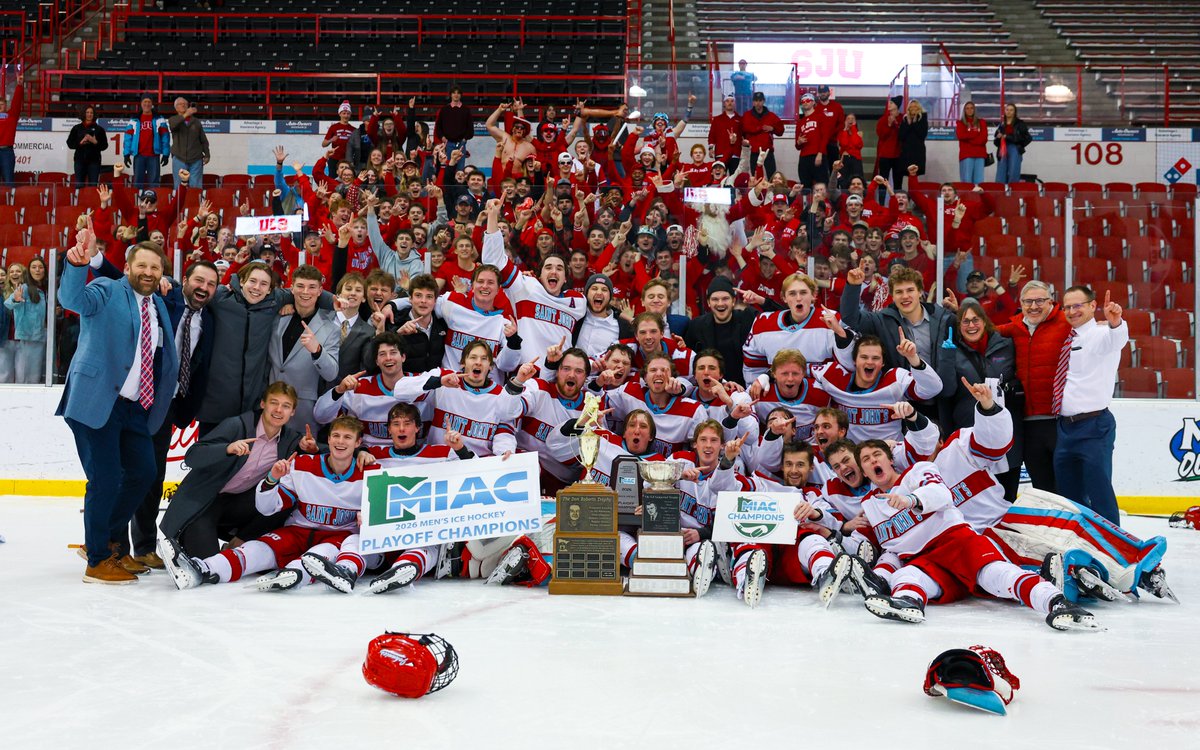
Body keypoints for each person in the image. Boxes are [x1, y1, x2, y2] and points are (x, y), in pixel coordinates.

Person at [854, 442, 1099, 631]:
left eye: (877, 454)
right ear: (864, 471)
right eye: (866, 459)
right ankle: (909, 604)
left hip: (955, 540)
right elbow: (876, 543)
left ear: (889, 459)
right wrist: (841, 529)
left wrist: (912, 500)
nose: (873, 460)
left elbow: (941, 494)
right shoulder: (870, 506)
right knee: (906, 575)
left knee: (996, 574)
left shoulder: (918, 471)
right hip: (924, 558)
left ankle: (1056, 603)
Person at [58, 226, 180, 585]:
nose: (148, 272)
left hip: (135, 407)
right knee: (106, 478)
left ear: (161, 274)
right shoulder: (106, 290)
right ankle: (97, 560)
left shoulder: (157, 304)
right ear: (127, 268)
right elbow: (72, 299)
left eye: (155, 268)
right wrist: (77, 264)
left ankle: (106, 541)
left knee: (143, 473)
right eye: (141, 265)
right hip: (99, 400)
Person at [160, 415, 368, 593]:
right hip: (298, 531)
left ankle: (295, 574)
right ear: (329, 439)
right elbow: (268, 508)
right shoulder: (303, 465)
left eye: (347, 437)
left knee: (319, 556)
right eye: (336, 436)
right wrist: (271, 480)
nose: (340, 442)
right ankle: (200, 569)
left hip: (337, 537)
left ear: (358, 443)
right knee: (256, 549)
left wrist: (365, 518)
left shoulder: (368, 472)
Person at [120, 259, 220, 569]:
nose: (203, 288)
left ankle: (144, 546)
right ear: (184, 280)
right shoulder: (165, 298)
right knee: (132, 473)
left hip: (171, 403)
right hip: (142, 399)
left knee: (153, 475)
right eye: (198, 281)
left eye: (210, 284)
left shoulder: (210, 317)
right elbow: (133, 284)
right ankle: (113, 545)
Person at [158, 382, 305, 558]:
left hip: (239, 505)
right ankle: (185, 541)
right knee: (209, 563)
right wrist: (227, 449)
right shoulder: (236, 426)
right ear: (263, 404)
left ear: (293, 412)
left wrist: (313, 449)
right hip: (206, 503)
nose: (279, 410)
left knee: (283, 499)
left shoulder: (291, 439)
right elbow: (192, 456)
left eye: (286, 406)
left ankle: (240, 541)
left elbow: (333, 451)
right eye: (274, 402)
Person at [840, 265, 957, 425]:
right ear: (892, 296)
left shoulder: (943, 319)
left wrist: (958, 314)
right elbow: (850, 318)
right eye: (899, 292)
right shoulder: (882, 321)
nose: (905, 296)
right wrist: (853, 286)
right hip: (902, 404)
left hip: (941, 405)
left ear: (920, 292)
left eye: (910, 290)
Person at [1053, 286, 1128, 525]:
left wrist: (1116, 322)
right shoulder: (1067, 338)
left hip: (1094, 426)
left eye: (1078, 305)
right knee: (1069, 495)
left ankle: (1115, 548)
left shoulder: (1100, 334)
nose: (1072, 311)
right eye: (1068, 307)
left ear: (1092, 306)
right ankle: (1082, 542)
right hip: (1065, 428)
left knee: (1100, 492)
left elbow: (1117, 339)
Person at [995, 280, 1069, 494]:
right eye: (1028, 301)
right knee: (1042, 486)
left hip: (1059, 420)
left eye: (1039, 301)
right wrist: (957, 315)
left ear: (1051, 302)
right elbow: (984, 332)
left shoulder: (1066, 322)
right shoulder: (1015, 327)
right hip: (1029, 422)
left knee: (1067, 484)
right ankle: (1048, 526)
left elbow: (1094, 332)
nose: (1034, 306)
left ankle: (1073, 526)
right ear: (1021, 303)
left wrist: (1112, 325)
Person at [946, 300, 1022, 500]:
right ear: (959, 327)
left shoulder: (1006, 345)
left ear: (985, 321)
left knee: (1007, 498)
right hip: (970, 435)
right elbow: (946, 392)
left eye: (975, 319)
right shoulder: (952, 352)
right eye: (965, 321)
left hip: (1006, 434)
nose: (971, 325)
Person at [267, 265, 340, 432]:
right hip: (270, 403)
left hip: (303, 409)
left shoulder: (330, 328)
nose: (305, 291)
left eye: (312, 287)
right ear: (291, 288)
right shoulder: (277, 317)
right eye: (300, 286)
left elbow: (331, 373)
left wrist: (318, 351)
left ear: (320, 291)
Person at [684, 277, 770, 386]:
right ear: (708, 303)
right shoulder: (696, 325)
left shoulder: (748, 318)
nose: (720, 304)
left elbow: (785, 318)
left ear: (733, 301)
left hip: (746, 389)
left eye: (725, 298)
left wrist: (761, 301)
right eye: (715, 299)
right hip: (710, 390)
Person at [3, 256, 47, 384]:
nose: (37, 270)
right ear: (29, 271)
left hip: (46, 335)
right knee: (28, 377)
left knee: (42, 375)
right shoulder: (25, 288)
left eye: (40, 267)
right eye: (34, 267)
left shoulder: (48, 288)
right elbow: (8, 303)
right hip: (29, 337)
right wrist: (15, 299)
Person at [122, 94, 171, 190]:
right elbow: (128, 137)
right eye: (145, 102)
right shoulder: (134, 119)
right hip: (138, 155)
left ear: (152, 104)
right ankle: (137, 203)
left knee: (154, 183)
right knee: (137, 182)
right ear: (141, 104)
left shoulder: (159, 119)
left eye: (149, 102)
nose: (147, 104)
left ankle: (153, 203)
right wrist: (126, 154)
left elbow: (165, 137)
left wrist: (166, 154)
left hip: (154, 156)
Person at [168, 97, 210, 190]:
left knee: (196, 187)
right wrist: (186, 114)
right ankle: (180, 205)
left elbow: (203, 139)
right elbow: (173, 126)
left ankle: (194, 204)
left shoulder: (196, 121)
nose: (183, 105)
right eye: (180, 104)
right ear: (176, 108)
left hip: (196, 159)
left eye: (185, 104)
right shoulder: (173, 119)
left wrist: (207, 154)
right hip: (179, 158)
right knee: (179, 186)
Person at [742, 91, 783, 177]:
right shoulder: (747, 115)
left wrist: (773, 129)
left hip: (768, 150)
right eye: (756, 100)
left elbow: (781, 130)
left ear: (763, 101)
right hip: (754, 151)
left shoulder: (771, 116)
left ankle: (772, 190)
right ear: (753, 102)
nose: (758, 103)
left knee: (772, 176)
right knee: (755, 175)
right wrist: (761, 128)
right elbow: (746, 128)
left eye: (760, 100)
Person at [66, 105, 108, 187]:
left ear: (94, 114)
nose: (89, 114)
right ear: (83, 114)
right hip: (79, 161)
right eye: (87, 112)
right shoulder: (76, 128)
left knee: (93, 186)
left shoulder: (99, 129)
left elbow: (104, 146)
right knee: (79, 185)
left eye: (91, 113)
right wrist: (80, 143)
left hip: (94, 162)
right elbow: (70, 143)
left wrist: (95, 142)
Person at [994, 103, 1031, 185]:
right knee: (1001, 172)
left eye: (1011, 110)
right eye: (1007, 110)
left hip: (1015, 149)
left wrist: (1019, 145)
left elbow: (1028, 138)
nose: (1009, 112)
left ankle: (1012, 193)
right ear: (1004, 111)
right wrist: (998, 137)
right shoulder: (1001, 125)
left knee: (1013, 172)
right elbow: (996, 142)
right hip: (1002, 149)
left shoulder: (1020, 124)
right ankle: (1000, 193)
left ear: (1015, 112)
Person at [708, 94, 744, 174]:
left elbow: (744, 136)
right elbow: (712, 135)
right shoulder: (717, 120)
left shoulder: (741, 120)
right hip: (720, 153)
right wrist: (710, 148)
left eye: (732, 101)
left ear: (735, 103)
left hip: (735, 154)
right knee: (719, 177)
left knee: (734, 179)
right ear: (724, 103)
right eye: (727, 101)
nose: (729, 103)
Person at [434, 86, 474, 157]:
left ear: (461, 95)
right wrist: (443, 138)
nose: (456, 95)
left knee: (460, 167)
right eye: (454, 93)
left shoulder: (466, 110)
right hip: (448, 143)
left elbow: (470, 128)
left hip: (461, 143)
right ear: (451, 95)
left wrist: (464, 139)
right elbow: (438, 127)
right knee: (449, 166)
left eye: (458, 93)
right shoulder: (444, 109)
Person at [955, 102, 989, 185]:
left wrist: (969, 138)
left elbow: (983, 139)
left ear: (974, 110)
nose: (969, 110)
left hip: (980, 155)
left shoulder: (982, 122)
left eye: (971, 108)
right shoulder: (960, 123)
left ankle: (977, 198)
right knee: (967, 181)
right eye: (967, 108)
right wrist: (975, 134)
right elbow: (961, 136)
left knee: (979, 181)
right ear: (964, 110)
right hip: (966, 155)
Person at [0, 69, 24, 185]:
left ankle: (9, 203)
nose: (0, 106)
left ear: (6, 105)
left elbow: (17, 102)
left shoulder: (11, 116)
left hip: (6, 152)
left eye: (2, 104)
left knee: (9, 182)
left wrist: (19, 85)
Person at [898, 99, 928, 189]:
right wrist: (909, 123)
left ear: (919, 108)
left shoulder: (922, 118)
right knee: (905, 173)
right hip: (906, 152)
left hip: (917, 151)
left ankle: (914, 196)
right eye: (911, 106)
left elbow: (922, 134)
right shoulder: (905, 119)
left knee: (915, 174)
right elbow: (901, 136)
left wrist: (915, 122)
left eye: (915, 106)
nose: (913, 108)